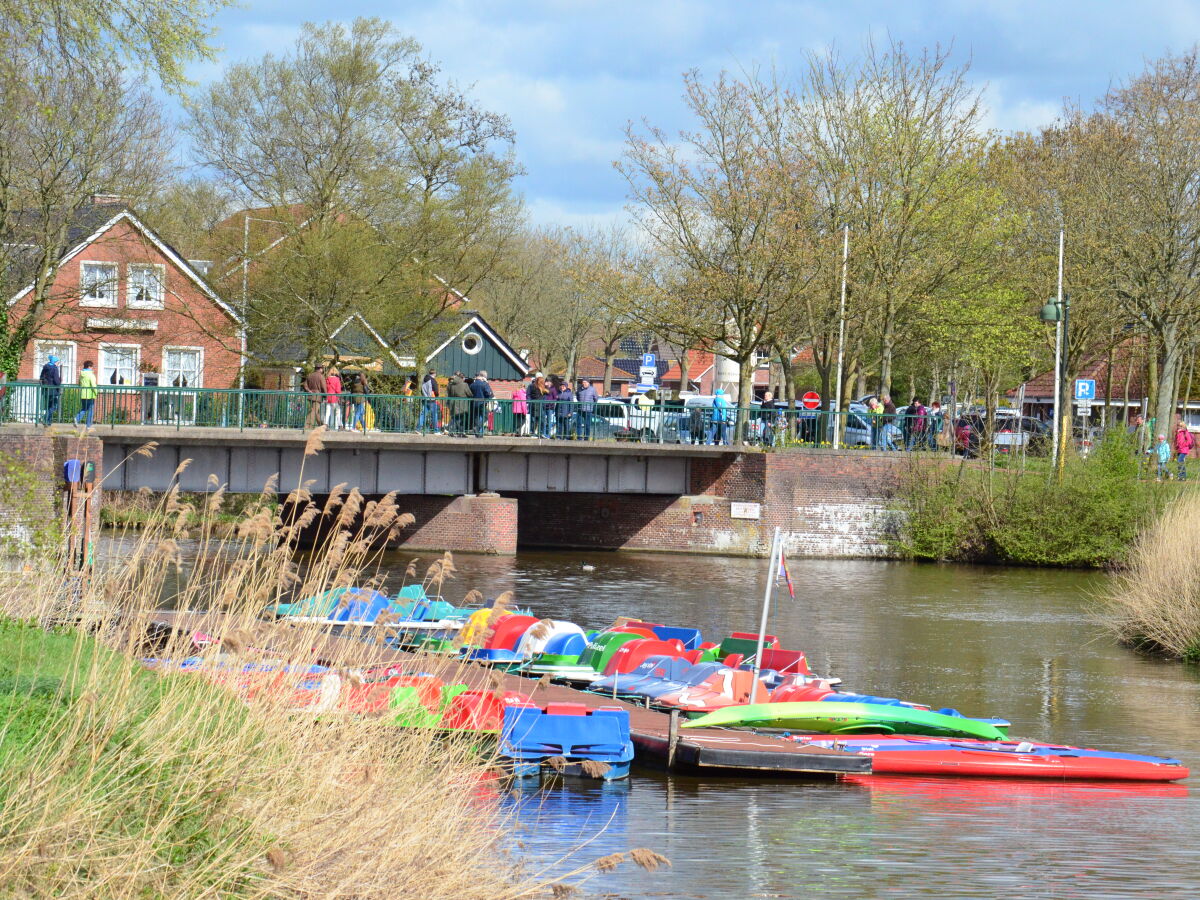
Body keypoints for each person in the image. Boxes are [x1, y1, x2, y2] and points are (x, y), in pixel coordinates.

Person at [39, 354, 62, 425]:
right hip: (53, 390)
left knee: (49, 405)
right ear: (54, 362)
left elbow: (41, 377)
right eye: (58, 362)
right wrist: (59, 383)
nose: (58, 364)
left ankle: (48, 421)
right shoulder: (54, 368)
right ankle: (46, 419)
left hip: (46, 389)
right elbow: (56, 380)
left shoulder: (45, 367)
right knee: (54, 406)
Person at [470, 370, 493, 437]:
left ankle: (477, 433)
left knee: (476, 417)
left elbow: (470, 393)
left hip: (474, 403)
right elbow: (489, 393)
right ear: (482, 377)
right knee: (485, 416)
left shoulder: (472, 385)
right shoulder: (484, 384)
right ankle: (477, 427)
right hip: (482, 402)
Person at [75, 360, 97, 427]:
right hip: (90, 394)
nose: (92, 368)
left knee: (84, 408)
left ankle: (77, 418)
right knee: (90, 409)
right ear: (89, 367)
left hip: (83, 394)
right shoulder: (91, 375)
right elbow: (93, 385)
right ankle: (88, 425)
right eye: (92, 367)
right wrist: (96, 393)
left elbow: (79, 383)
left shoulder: (81, 374)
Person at [419, 369, 439, 433]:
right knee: (434, 415)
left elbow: (421, 390)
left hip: (424, 399)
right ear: (434, 374)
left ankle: (418, 429)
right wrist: (436, 395)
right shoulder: (433, 381)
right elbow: (436, 391)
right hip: (431, 400)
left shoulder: (424, 380)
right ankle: (436, 430)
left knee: (423, 414)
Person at [528, 373, 546, 438]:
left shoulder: (543, 386)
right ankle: (532, 432)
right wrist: (531, 402)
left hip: (541, 405)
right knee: (534, 419)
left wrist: (544, 402)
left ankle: (541, 433)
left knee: (542, 419)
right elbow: (528, 395)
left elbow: (545, 395)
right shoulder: (531, 386)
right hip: (534, 404)